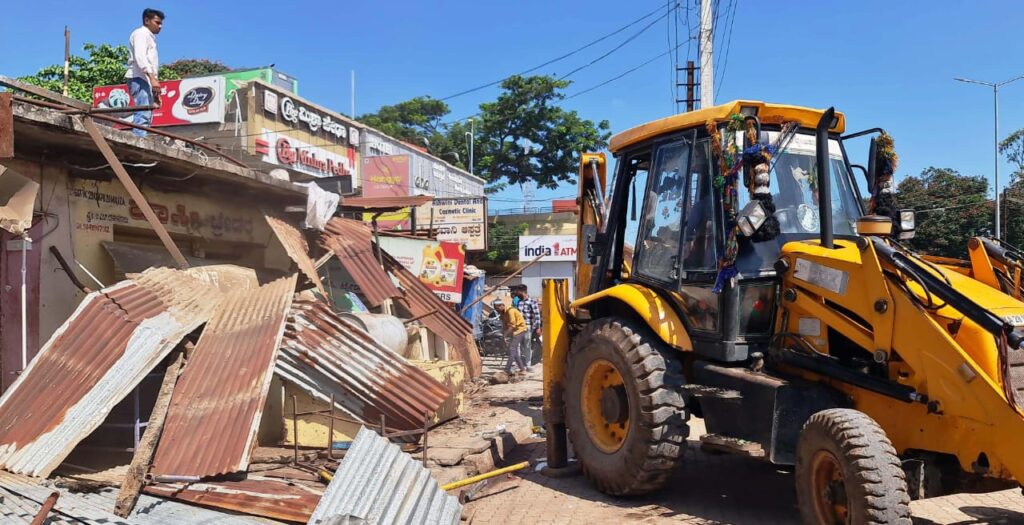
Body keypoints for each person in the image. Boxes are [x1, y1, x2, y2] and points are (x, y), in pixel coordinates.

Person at [125, 8, 165, 137]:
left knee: (147, 112)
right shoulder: (141, 34)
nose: (160, 26)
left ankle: (141, 137)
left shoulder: (150, 38)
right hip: (138, 77)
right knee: (143, 111)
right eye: (157, 22)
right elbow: (140, 57)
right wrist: (152, 79)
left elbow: (151, 63)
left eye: (161, 23)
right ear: (147, 20)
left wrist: (155, 91)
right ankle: (138, 139)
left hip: (145, 79)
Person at [493, 299, 528, 375]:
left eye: (497, 309)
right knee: (514, 351)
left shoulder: (510, 311)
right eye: (495, 309)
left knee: (512, 349)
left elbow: (512, 326)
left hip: (520, 330)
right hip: (513, 332)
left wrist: (505, 336)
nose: (496, 311)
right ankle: (522, 370)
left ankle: (507, 370)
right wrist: (503, 337)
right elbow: (505, 326)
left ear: (502, 305)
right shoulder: (502, 314)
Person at [513, 285, 541, 367]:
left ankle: (528, 365)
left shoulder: (532, 302)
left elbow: (537, 315)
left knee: (527, 346)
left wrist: (538, 327)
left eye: (518, 292)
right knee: (516, 345)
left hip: (527, 327)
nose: (517, 294)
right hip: (518, 327)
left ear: (522, 291)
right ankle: (518, 364)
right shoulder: (519, 302)